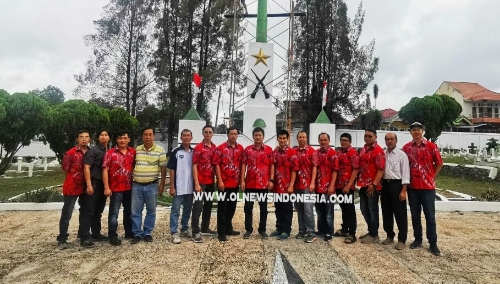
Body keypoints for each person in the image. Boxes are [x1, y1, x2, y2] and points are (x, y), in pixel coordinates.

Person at [402, 122, 443, 256]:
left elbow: (439, 163)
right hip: (413, 187)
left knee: (430, 216)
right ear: (410, 132)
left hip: (427, 187)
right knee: (415, 215)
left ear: (423, 131)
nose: (416, 132)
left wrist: (431, 175)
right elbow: (404, 166)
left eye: (419, 130)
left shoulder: (431, 146)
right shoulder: (406, 148)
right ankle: (418, 239)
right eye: (414, 130)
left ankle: (433, 243)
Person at [130, 127, 167, 244]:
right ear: (142, 136)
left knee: (151, 210)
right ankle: (137, 233)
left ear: (154, 136)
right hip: (137, 185)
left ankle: (147, 232)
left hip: (152, 185)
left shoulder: (160, 150)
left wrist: (161, 185)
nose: (148, 137)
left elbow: (163, 168)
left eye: (150, 134)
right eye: (145, 134)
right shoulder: (137, 149)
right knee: (136, 211)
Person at [56, 130, 91, 250]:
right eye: (81, 137)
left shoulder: (91, 152)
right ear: (77, 139)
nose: (84, 139)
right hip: (72, 186)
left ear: (90, 139)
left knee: (85, 211)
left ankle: (83, 235)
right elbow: (65, 169)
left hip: (86, 186)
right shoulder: (70, 153)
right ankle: (62, 238)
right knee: (67, 212)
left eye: (86, 137)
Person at [102, 130, 136, 246]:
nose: (122, 140)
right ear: (116, 140)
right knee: (114, 213)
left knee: (129, 212)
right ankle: (112, 235)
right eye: (120, 138)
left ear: (129, 139)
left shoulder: (133, 152)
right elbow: (105, 170)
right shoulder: (110, 153)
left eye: (125, 138)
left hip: (129, 188)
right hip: (115, 189)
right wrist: (106, 187)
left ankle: (129, 232)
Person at [212, 126, 244, 241]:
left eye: (235, 134)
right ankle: (221, 232)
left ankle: (228, 228)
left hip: (235, 184)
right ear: (227, 135)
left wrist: (241, 180)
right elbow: (216, 165)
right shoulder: (220, 148)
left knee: (232, 207)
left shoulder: (240, 148)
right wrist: (219, 180)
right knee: (222, 208)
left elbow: (242, 165)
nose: (233, 136)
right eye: (231, 134)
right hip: (223, 184)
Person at [79, 129, 110, 247]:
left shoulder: (109, 151)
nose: (104, 137)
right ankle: (85, 237)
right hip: (94, 183)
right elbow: (86, 168)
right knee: (88, 211)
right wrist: (89, 185)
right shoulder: (93, 151)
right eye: (101, 135)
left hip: (103, 185)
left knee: (98, 211)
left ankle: (96, 233)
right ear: (98, 138)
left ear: (109, 138)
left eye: (106, 135)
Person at [241, 127, 273, 239]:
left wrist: (271, 180)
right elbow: (244, 165)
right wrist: (242, 181)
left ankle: (262, 230)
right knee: (248, 208)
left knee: (263, 209)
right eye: (256, 135)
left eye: (260, 135)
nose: (258, 137)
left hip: (263, 184)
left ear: (263, 136)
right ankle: (248, 230)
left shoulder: (269, 150)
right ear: (253, 136)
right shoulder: (247, 150)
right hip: (250, 183)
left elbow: (271, 165)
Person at [381, 132, 410, 250]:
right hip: (385, 185)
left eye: (392, 139)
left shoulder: (402, 155)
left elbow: (406, 174)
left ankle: (402, 239)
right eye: (387, 139)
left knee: (400, 213)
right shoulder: (383, 154)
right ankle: (389, 235)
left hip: (397, 185)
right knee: (386, 212)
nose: (389, 141)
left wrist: (403, 190)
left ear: (396, 140)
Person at [357, 129, 385, 244]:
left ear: (375, 137)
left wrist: (374, 184)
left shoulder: (378, 151)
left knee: (372, 210)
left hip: (373, 186)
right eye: (365, 136)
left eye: (370, 136)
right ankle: (371, 231)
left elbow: (381, 169)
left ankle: (374, 235)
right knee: (364, 209)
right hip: (363, 184)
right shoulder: (364, 149)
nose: (367, 138)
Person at [270, 130, 298, 240]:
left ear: (287, 139)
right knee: (278, 208)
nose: (282, 140)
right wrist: (271, 181)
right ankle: (279, 228)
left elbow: (294, 170)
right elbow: (272, 166)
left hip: (287, 187)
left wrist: (291, 185)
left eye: (284, 138)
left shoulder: (292, 153)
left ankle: (286, 230)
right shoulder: (275, 152)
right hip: (277, 186)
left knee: (287, 209)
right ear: (277, 139)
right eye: (280, 138)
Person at [191, 125, 217, 243]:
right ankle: (195, 231)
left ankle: (205, 227)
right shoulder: (198, 148)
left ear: (212, 134)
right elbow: (194, 165)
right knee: (198, 206)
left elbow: (216, 164)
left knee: (208, 205)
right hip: (200, 182)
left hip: (211, 182)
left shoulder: (214, 147)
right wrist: (196, 183)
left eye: (210, 132)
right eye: (206, 132)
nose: (208, 134)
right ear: (203, 134)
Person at [168, 129, 195, 244]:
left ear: (191, 138)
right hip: (179, 186)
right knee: (175, 210)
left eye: (188, 135)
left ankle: (184, 228)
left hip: (190, 187)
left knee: (188, 209)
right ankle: (174, 232)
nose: (186, 137)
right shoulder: (176, 151)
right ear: (180, 137)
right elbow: (172, 170)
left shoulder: (194, 152)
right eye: (184, 135)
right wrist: (172, 186)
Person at [293, 131, 318, 243]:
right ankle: (302, 230)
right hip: (297, 185)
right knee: (299, 209)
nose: (302, 139)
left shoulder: (312, 152)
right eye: (300, 137)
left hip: (308, 185)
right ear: (297, 139)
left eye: (304, 137)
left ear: (307, 138)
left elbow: (314, 168)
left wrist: (312, 183)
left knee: (308, 209)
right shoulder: (294, 152)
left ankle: (311, 232)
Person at [334, 133, 359, 244]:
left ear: (350, 141)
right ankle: (344, 229)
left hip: (347, 186)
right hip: (339, 185)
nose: (344, 142)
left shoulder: (353, 153)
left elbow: (355, 169)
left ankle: (352, 233)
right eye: (342, 140)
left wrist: (349, 185)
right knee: (343, 208)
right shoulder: (338, 152)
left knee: (350, 209)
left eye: (346, 140)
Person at [314, 132, 338, 241]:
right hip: (318, 188)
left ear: (329, 141)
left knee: (329, 211)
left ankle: (329, 232)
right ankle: (321, 230)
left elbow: (335, 171)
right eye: (321, 140)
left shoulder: (333, 154)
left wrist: (332, 185)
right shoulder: (316, 153)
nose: (323, 142)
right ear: (318, 141)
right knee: (320, 210)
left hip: (328, 188)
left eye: (325, 140)